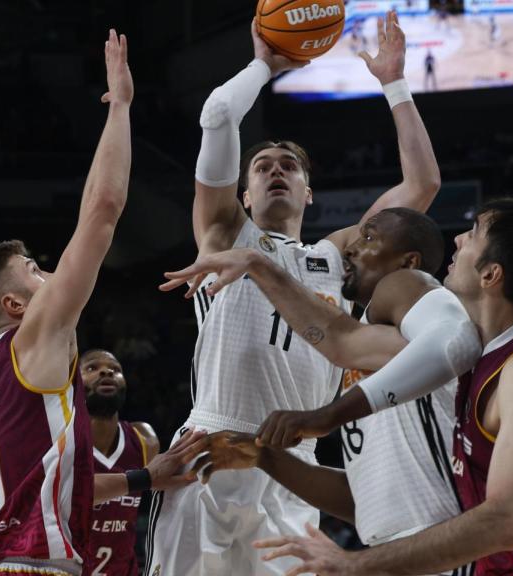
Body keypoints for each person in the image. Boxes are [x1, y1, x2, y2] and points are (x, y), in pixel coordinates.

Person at [146, 9, 443, 576]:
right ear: (246, 194)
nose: (275, 171)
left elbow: (423, 185)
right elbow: (217, 116)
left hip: (295, 459)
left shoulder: (344, 257)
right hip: (212, 442)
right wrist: (262, 65)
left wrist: (395, 84)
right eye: (262, 167)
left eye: (289, 166)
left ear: (310, 194)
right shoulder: (224, 232)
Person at [0, 31, 203, 576]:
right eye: (35, 270)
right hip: (31, 566)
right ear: (14, 305)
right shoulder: (32, 337)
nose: (51, 272)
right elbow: (103, 210)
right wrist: (122, 107)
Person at [245, 199, 513, 576]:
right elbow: (342, 339)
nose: (458, 240)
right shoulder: (488, 348)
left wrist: (354, 564)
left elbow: (504, 521)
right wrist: (262, 455)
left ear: (490, 276)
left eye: (473, 235)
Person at [164, 208, 479, 576]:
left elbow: (450, 342)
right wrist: (264, 457)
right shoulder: (377, 344)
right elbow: (365, 500)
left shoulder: (407, 284)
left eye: (369, 238)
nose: (351, 249)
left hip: (448, 549)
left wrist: (326, 416)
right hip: (405, 550)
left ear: (409, 261)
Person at [81, 349, 159, 576]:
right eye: (92, 368)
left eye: (116, 370)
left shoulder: (144, 440)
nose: (106, 371)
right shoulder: (60, 438)